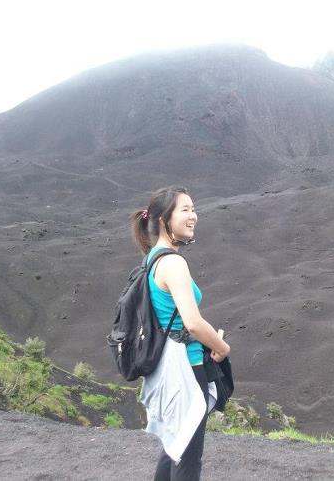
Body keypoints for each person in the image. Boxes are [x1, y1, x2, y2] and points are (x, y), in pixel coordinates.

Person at [130, 186, 231, 481]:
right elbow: (193, 323)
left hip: (168, 367)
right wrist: (221, 347)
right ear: (163, 219)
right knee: (188, 459)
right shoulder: (173, 264)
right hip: (187, 368)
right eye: (185, 210)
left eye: (193, 208)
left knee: (175, 447)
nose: (193, 216)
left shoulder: (154, 258)